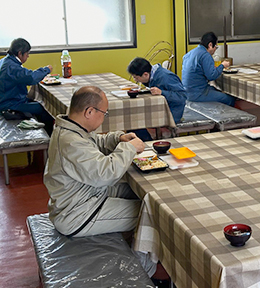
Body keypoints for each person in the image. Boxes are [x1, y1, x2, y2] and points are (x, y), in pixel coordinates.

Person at [44, 86, 158, 275]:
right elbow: (106, 174)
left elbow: (96, 144)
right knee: (152, 217)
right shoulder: (71, 142)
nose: (104, 117)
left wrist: (119, 138)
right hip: (78, 213)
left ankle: (138, 254)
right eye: (104, 113)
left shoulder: (72, 128)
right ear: (89, 112)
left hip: (86, 195)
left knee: (137, 192)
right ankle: (144, 275)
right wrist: (129, 148)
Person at [0, 38, 54, 134]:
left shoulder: (6, 61)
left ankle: (40, 128)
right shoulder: (12, 67)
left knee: (40, 101)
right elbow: (31, 78)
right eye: (27, 54)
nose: (28, 56)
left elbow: (25, 75)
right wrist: (46, 70)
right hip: (9, 105)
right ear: (20, 53)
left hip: (9, 98)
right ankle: (48, 136)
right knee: (46, 109)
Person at [182, 31, 236, 106]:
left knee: (216, 90)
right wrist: (222, 65)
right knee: (229, 99)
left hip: (186, 91)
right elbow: (212, 76)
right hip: (197, 93)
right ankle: (232, 117)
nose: (214, 50)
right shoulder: (205, 55)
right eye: (215, 47)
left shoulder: (190, 53)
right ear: (210, 45)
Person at [127, 57, 187, 124]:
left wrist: (162, 92)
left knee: (139, 122)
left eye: (136, 77)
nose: (135, 80)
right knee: (135, 116)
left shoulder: (166, 77)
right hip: (160, 109)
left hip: (172, 112)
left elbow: (182, 96)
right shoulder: (152, 75)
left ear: (145, 74)